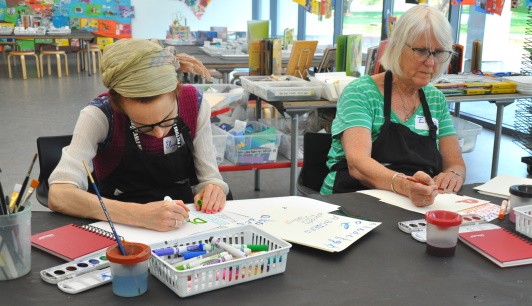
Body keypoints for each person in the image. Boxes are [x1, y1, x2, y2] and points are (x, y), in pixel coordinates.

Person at [48, 39, 229, 231]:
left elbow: (210, 178)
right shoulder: (99, 115)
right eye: (143, 127)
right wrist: (139, 215)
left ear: (176, 90)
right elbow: (59, 195)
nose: (159, 134)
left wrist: (213, 188)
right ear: (118, 104)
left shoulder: (195, 104)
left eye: (168, 119)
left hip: (184, 220)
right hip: (121, 224)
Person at [320, 5, 466, 207]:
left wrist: (452, 175)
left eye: (439, 52)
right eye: (421, 51)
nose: (431, 63)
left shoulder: (435, 100)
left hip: (413, 202)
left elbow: (455, 163)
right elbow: (358, 165)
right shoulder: (361, 93)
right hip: (352, 198)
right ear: (397, 47)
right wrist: (405, 186)